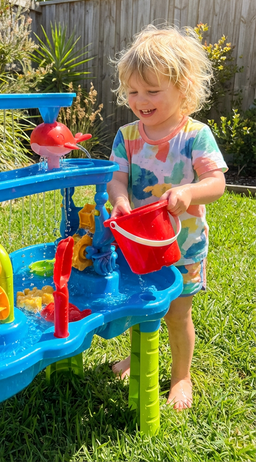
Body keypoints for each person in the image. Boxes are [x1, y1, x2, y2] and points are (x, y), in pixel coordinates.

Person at [108, 24, 227, 411]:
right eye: (133, 91)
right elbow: (117, 178)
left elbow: (216, 182)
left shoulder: (195, 135)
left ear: (184, 87)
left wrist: (189, 192)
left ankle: (181, 376)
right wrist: (120, 199)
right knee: (142, 307)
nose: (140, 100)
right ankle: (140, 357)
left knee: (177, 313)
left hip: (184, 246)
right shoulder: (127, 135)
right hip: (139, 245)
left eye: (152, 90)